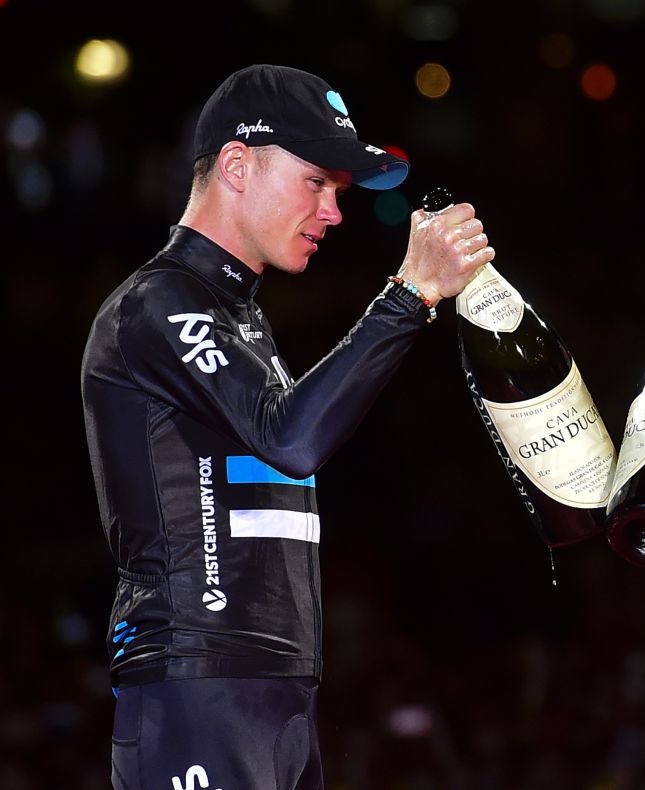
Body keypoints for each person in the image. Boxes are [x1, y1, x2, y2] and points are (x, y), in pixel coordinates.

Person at [80, 64, 495, 790]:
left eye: (339, 190)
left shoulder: (238, 315)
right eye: (317, 181)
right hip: (199, 685)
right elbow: (293, 439)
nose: (335, 212)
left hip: (274, 693)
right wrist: (410, 295)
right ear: (237, 165)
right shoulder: (159, 304)